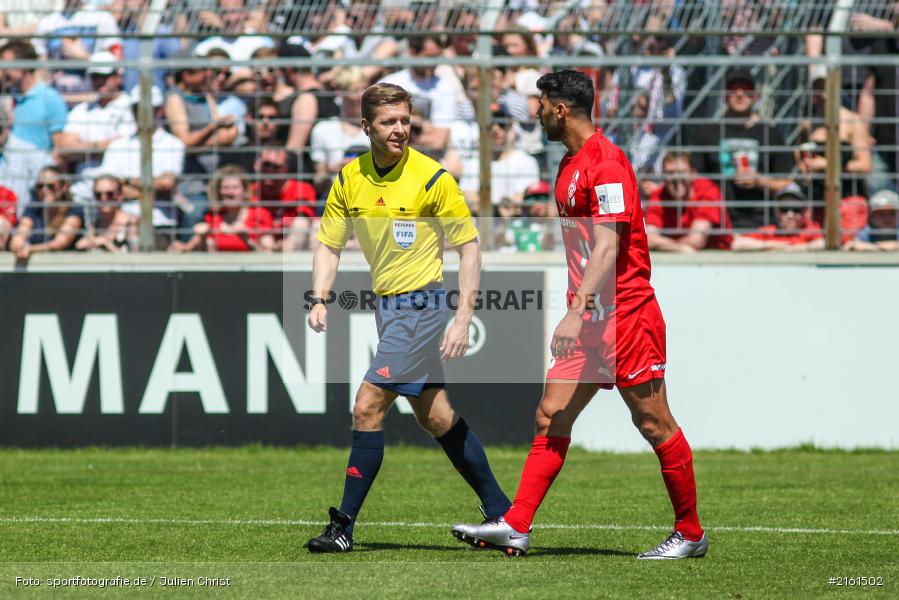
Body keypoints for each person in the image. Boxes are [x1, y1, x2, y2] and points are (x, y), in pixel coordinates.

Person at [450, 70, 707, 559]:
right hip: (589, 320)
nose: (537, 111)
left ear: (561, 109)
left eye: (541, 103)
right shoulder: (569, 164)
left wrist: (574, 311)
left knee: (654, 423)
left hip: (625, 316)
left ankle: (691, 534)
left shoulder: (606, 164)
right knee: (550, 415)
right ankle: (517, 525)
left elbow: (608, 247)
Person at [305, 82, 511, 553]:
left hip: (422, 306)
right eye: (388, 122)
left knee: (367, 404)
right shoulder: (348, 178)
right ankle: (502, 511)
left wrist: (462, 317)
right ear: (366, 127)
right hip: (388, 308)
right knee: (436, 417)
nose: (400, 129)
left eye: (404, 120)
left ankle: (343, 527)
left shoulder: (433, 177)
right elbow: (329, 245)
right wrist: (317, 298)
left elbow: (469, 247)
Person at [680, 68, 794, 231]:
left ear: (755, 95)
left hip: (762, 222)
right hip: (717, 223)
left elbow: (787, 182)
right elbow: (695, 180)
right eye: (733, 89)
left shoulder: (770, 133)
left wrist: (759, 180)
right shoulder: (707, 132)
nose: (739, 94)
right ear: (724, 96)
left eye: (746, 89)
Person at [170, 165, 274, 253]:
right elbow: (192, 250)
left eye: (235, 187)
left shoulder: (260, 215)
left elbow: (269, 254)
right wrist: (198, 241)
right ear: (219, 192)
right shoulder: (212, 217)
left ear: (244, 190)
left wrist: (247, 240)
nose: (230, 193)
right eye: (225, 188)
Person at [645, 152, 733, 252]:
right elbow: (648, 239)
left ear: (693, 174)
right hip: (681, 255)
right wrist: (680, 248)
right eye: (670, 173)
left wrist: (667, 245)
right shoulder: (658, 195)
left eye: (682, 172)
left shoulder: (708, 190)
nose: (676, 178)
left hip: (719, 255)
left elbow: (697, 240)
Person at [0, 40, 68, 151]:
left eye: (6, 65)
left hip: (38, 166)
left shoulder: (50, 98)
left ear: (24, 65)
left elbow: (59, 149)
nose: (2, 71)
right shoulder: (7, 99)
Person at [8, 166, 85, 259]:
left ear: (63, 187)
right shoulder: (33, 209)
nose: (44, 190)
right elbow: (21, 233)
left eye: (50, 186)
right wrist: (18, 244)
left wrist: (30, 249)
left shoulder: (74, 210)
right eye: (40, 186)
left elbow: (59, 243)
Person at [731, 184, 824, 251]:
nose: (790, 215)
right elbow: (737, 244)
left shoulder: (810, 229)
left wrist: (796, 248)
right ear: (777, 211)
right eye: (784, 209)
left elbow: (824, 244)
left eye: (796, 209)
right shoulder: (769, 231)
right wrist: (773, 244)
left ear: (805, 212)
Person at [76, 174, 133, 252]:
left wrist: (106, 244)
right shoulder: (94, 223)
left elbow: (137, 259)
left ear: (120, 195)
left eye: (110, 194)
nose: (104, 199)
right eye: (98, 195)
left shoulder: (131, 222)